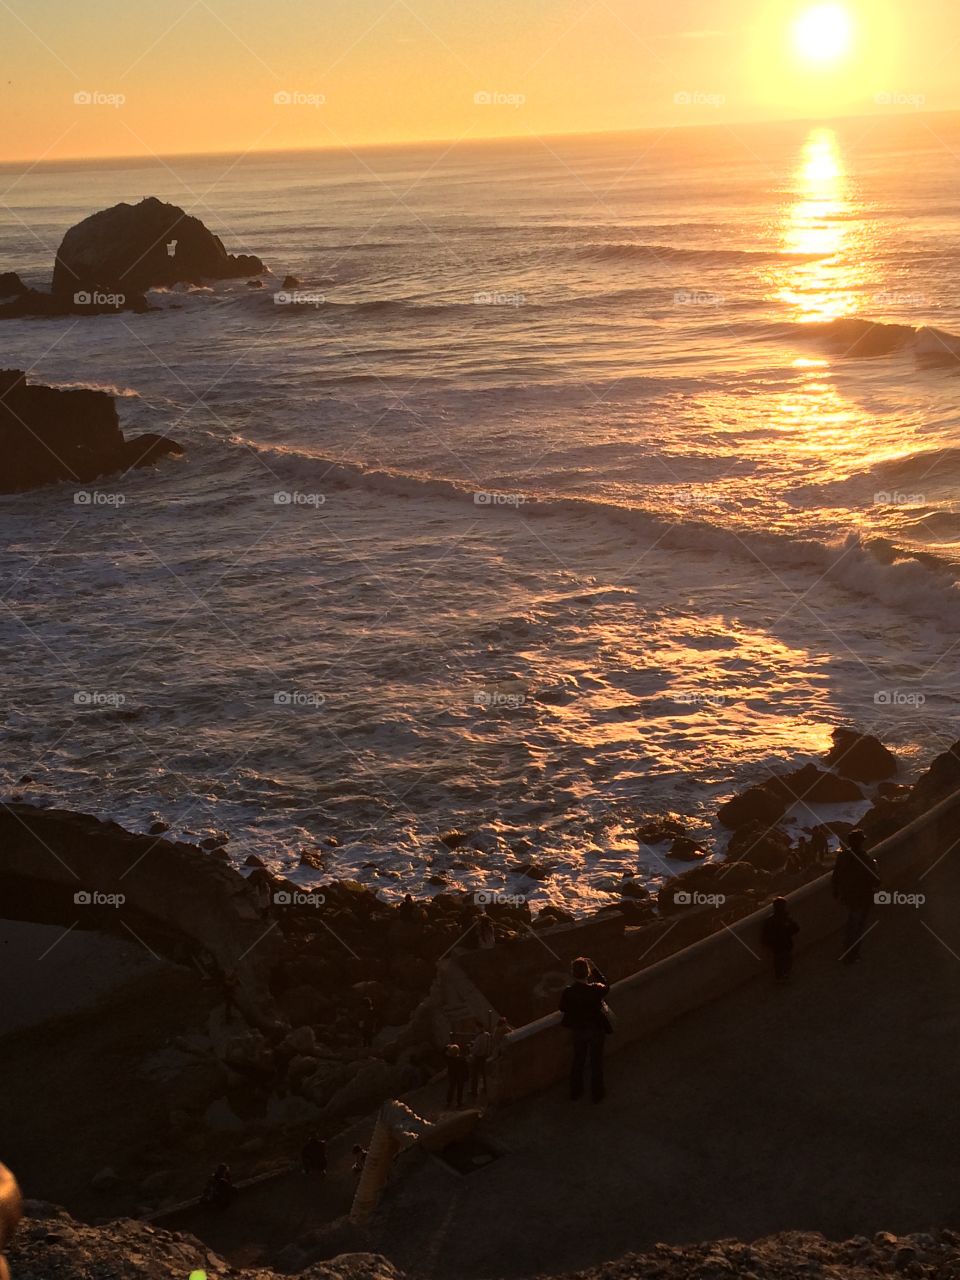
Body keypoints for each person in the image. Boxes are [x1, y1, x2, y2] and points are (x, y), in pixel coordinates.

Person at [559, 956, 610, 1102]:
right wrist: (595, 968)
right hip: (596, 1029)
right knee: (596, 1062)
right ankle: (597, 1094)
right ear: (587, 972)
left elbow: (562, 1008)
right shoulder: (595, 989)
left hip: (579, 1030)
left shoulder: (568, 992)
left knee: (578, 1061)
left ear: (573, 973)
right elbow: (606, 985)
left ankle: (575, 1092)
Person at [832, 829, 881, 964]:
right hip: (862, 897)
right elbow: (876, 881)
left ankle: (847, 949)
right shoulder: (865, 858)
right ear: (860, 842)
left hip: (847, 895)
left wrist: (836, 891)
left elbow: (835, 876)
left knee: (851, 923)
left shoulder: (842, 857)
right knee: (858, 925)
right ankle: (852, 954)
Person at [760, 897, 800, 981]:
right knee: (785, 961)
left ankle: (781, 977)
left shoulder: (770, 920)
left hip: (778, 947)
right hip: (783, 945)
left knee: (780, 963)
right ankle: (783, 977)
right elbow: (795, 928)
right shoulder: (783, 918)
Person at [468, 1019, 493, 1098]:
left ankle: (474, 1091)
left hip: (478, 1057)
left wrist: (470, 1048)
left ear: (479, 1028)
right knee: (484, 1074)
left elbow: (475, 1050)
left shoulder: (479, 1037)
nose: (475, 1029)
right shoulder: (487, 1035)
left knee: (475, 1075)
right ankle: (486, 1088)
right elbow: (489, 1046)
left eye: (476, 1028)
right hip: (485, 1056)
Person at [445, 1042, 469, 1109]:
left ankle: (449, 1101)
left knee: (451, 1088)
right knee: (460, 1089)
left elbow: (443, 1052)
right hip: (460, 1076)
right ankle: (459, 1102)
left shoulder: (449, 1059)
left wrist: (448, 1046)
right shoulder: (462, 1059)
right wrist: (467, 1076)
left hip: (452, 1076)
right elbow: (466, 1068)